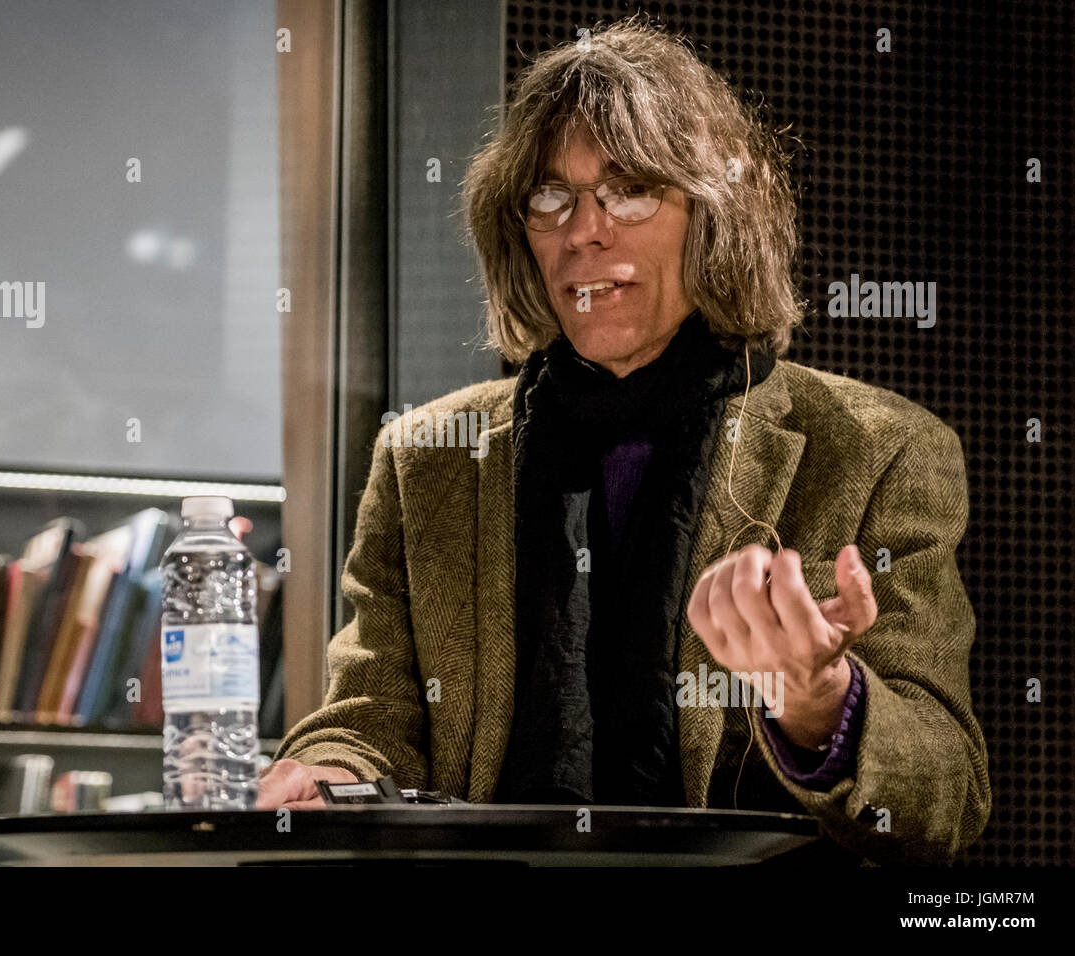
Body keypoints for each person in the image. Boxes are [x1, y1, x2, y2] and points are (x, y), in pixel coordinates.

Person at [259, 16, 990, 865]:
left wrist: (823, 700)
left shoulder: (877, 450)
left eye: (630, 189)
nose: (582, 230)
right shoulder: (428, 457)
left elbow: (949, 796)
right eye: (549, 197)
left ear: (713, 213)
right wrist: (329, 769)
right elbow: (371, 715)